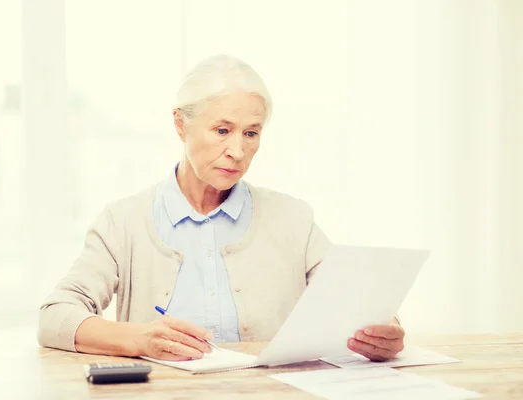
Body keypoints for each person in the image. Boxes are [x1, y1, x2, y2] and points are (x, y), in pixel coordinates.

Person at [37, 54, 405, 362]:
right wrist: (137, 339)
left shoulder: (294, 220)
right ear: (181, 125)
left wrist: (383, 331)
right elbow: (55, 317)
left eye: (251, 132)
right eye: (222, 130)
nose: (237, 151)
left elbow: (360, 304)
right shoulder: (122, 222)